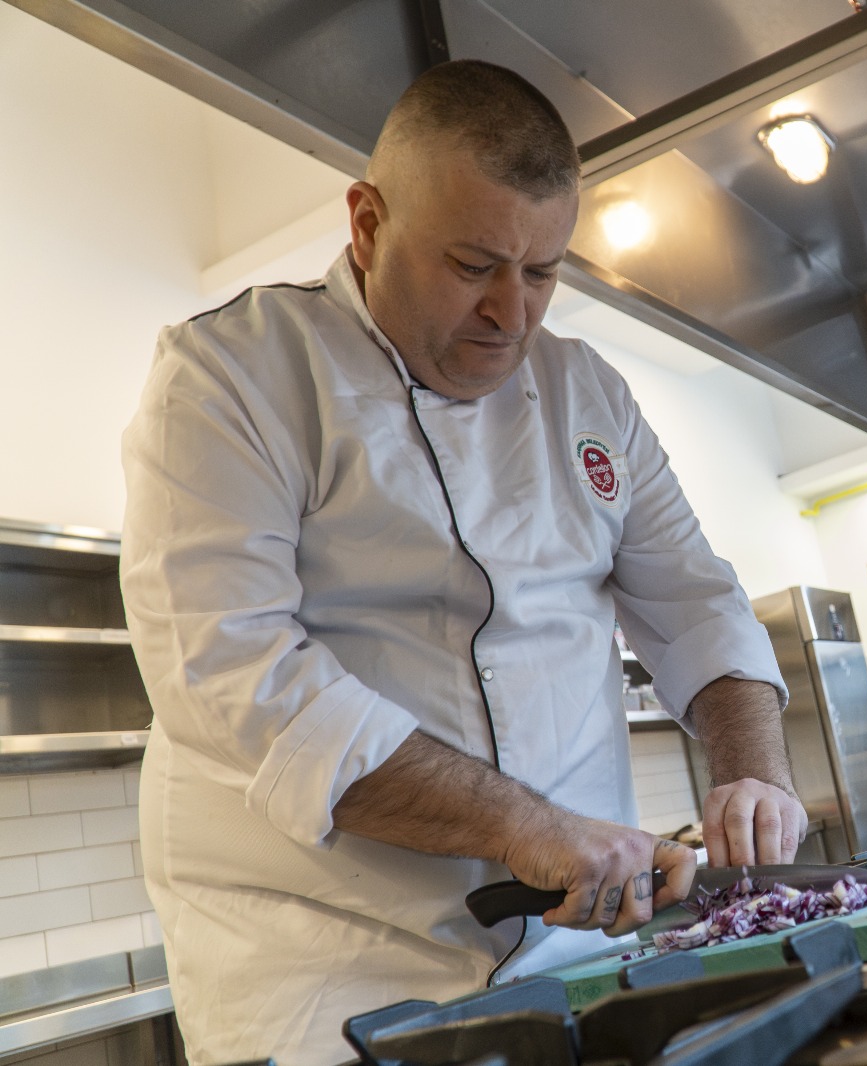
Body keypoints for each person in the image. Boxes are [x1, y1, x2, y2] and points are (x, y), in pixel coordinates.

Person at [120, 59, 807, 1066]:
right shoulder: (232, 375)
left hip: (578, 954)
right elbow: (239, 678)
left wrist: (755, 776)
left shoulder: (589, 395)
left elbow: (698, 605)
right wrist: (521, 823)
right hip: (325, 979)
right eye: (472, 264)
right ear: (365, 223)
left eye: (541, 272)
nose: (511, 313)